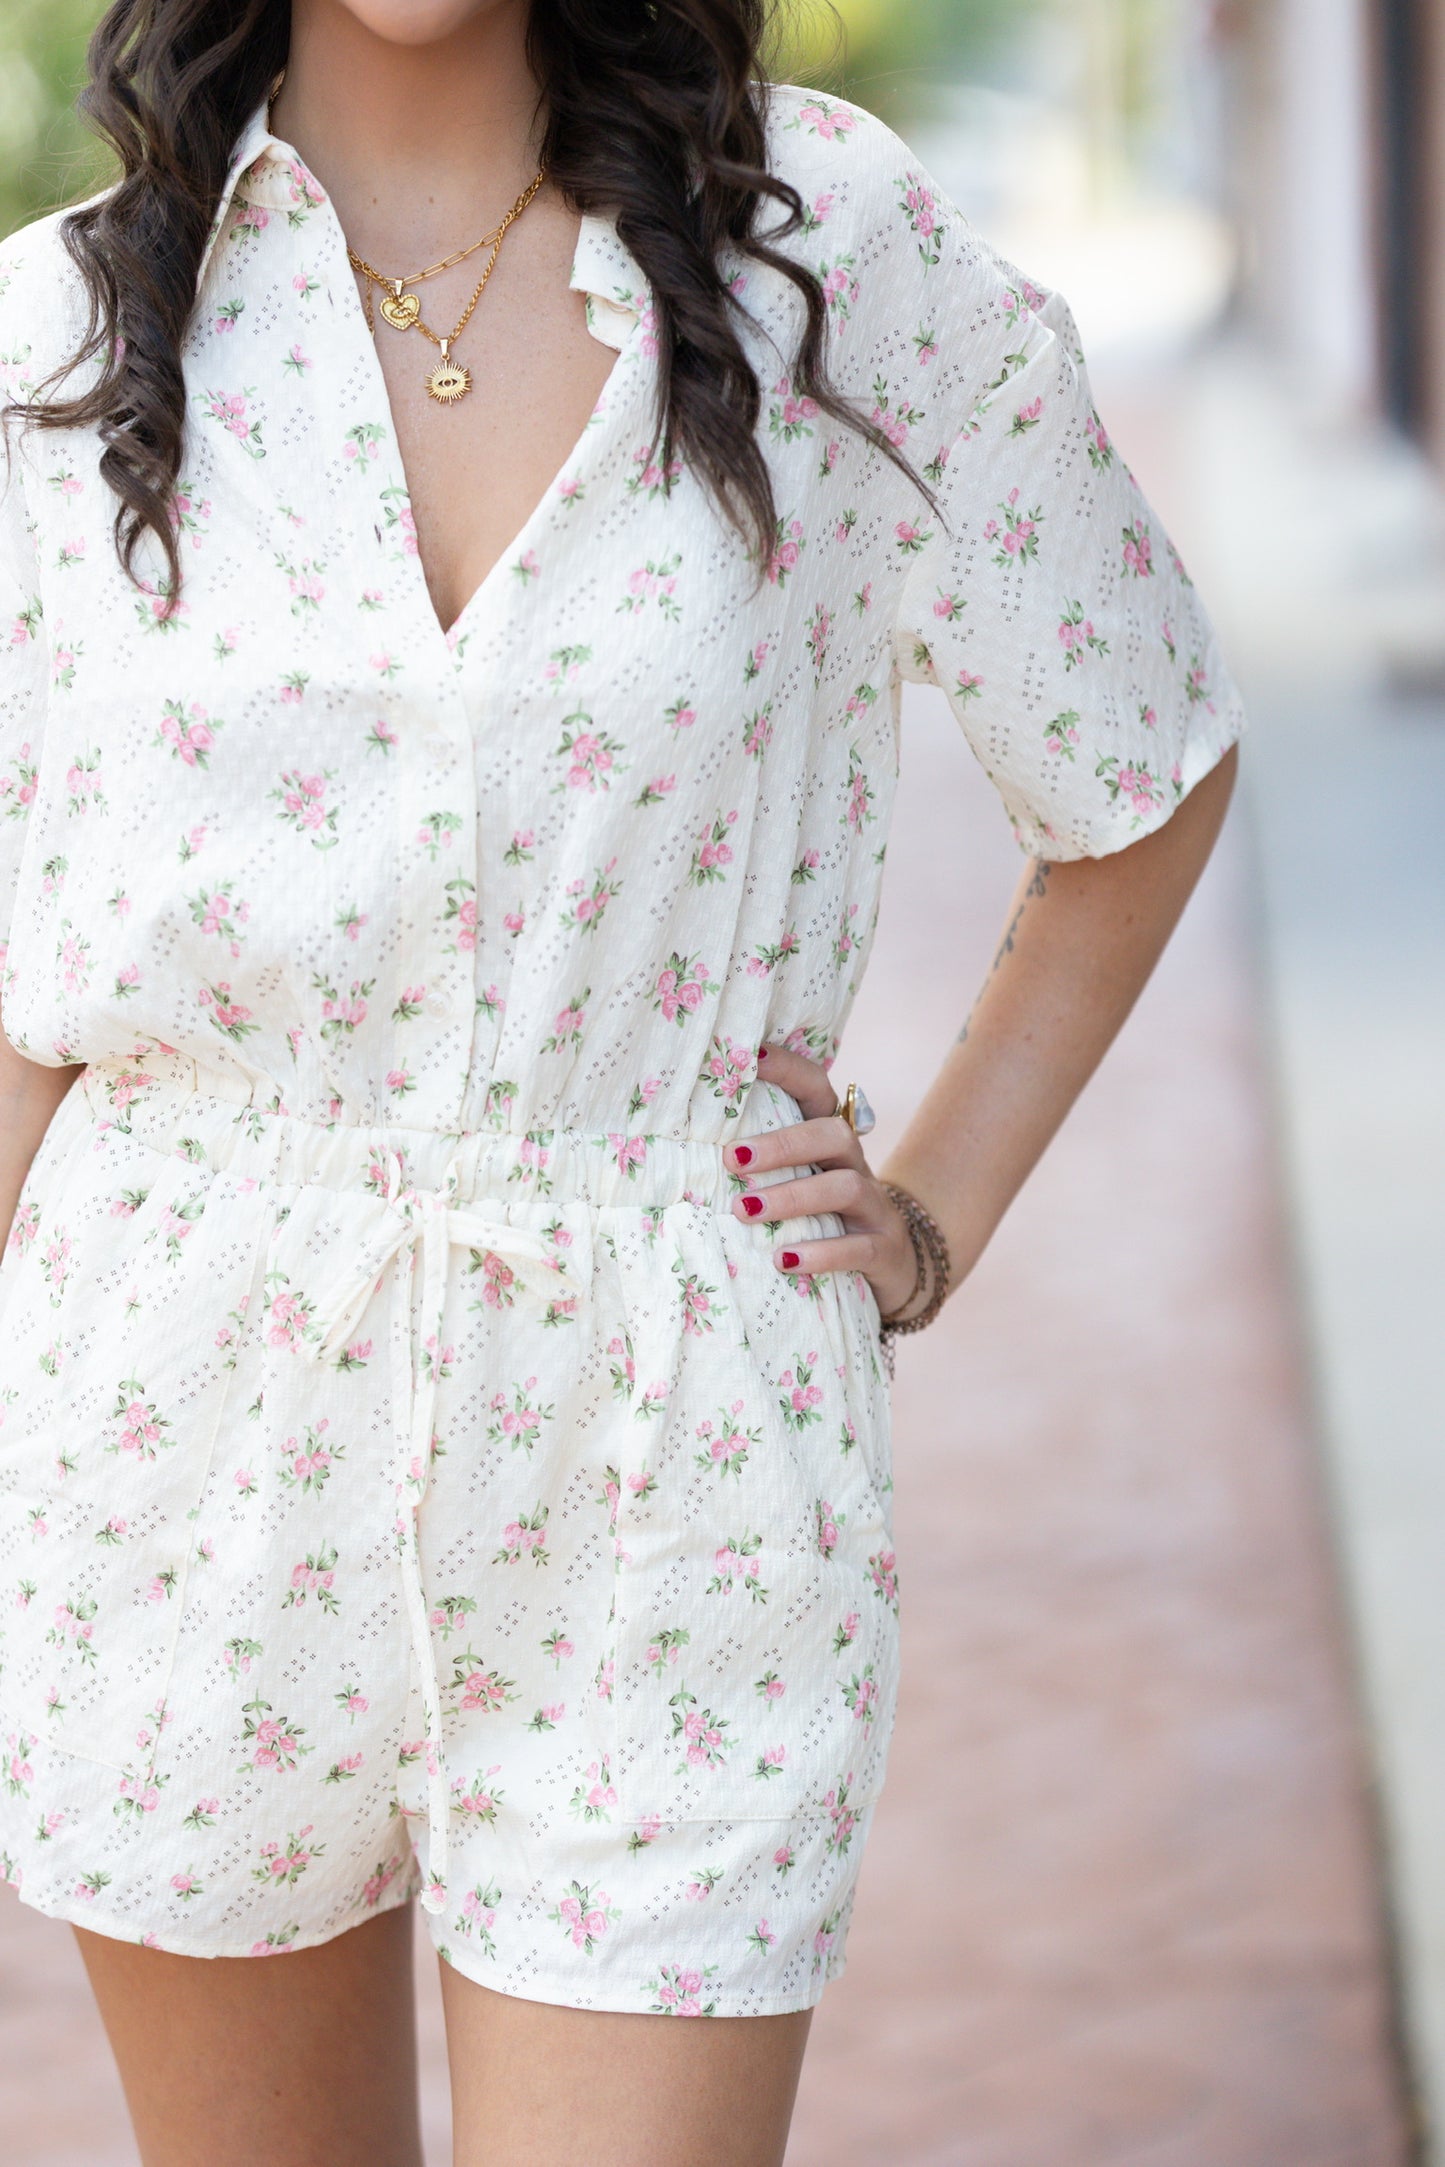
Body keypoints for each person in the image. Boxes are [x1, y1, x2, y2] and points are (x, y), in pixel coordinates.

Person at [0, 0, 1243, 2160]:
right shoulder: (57, 341)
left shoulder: (827, 252)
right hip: (180, 1443)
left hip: (675, 1472)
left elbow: (1136, 753)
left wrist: (929, 1208)